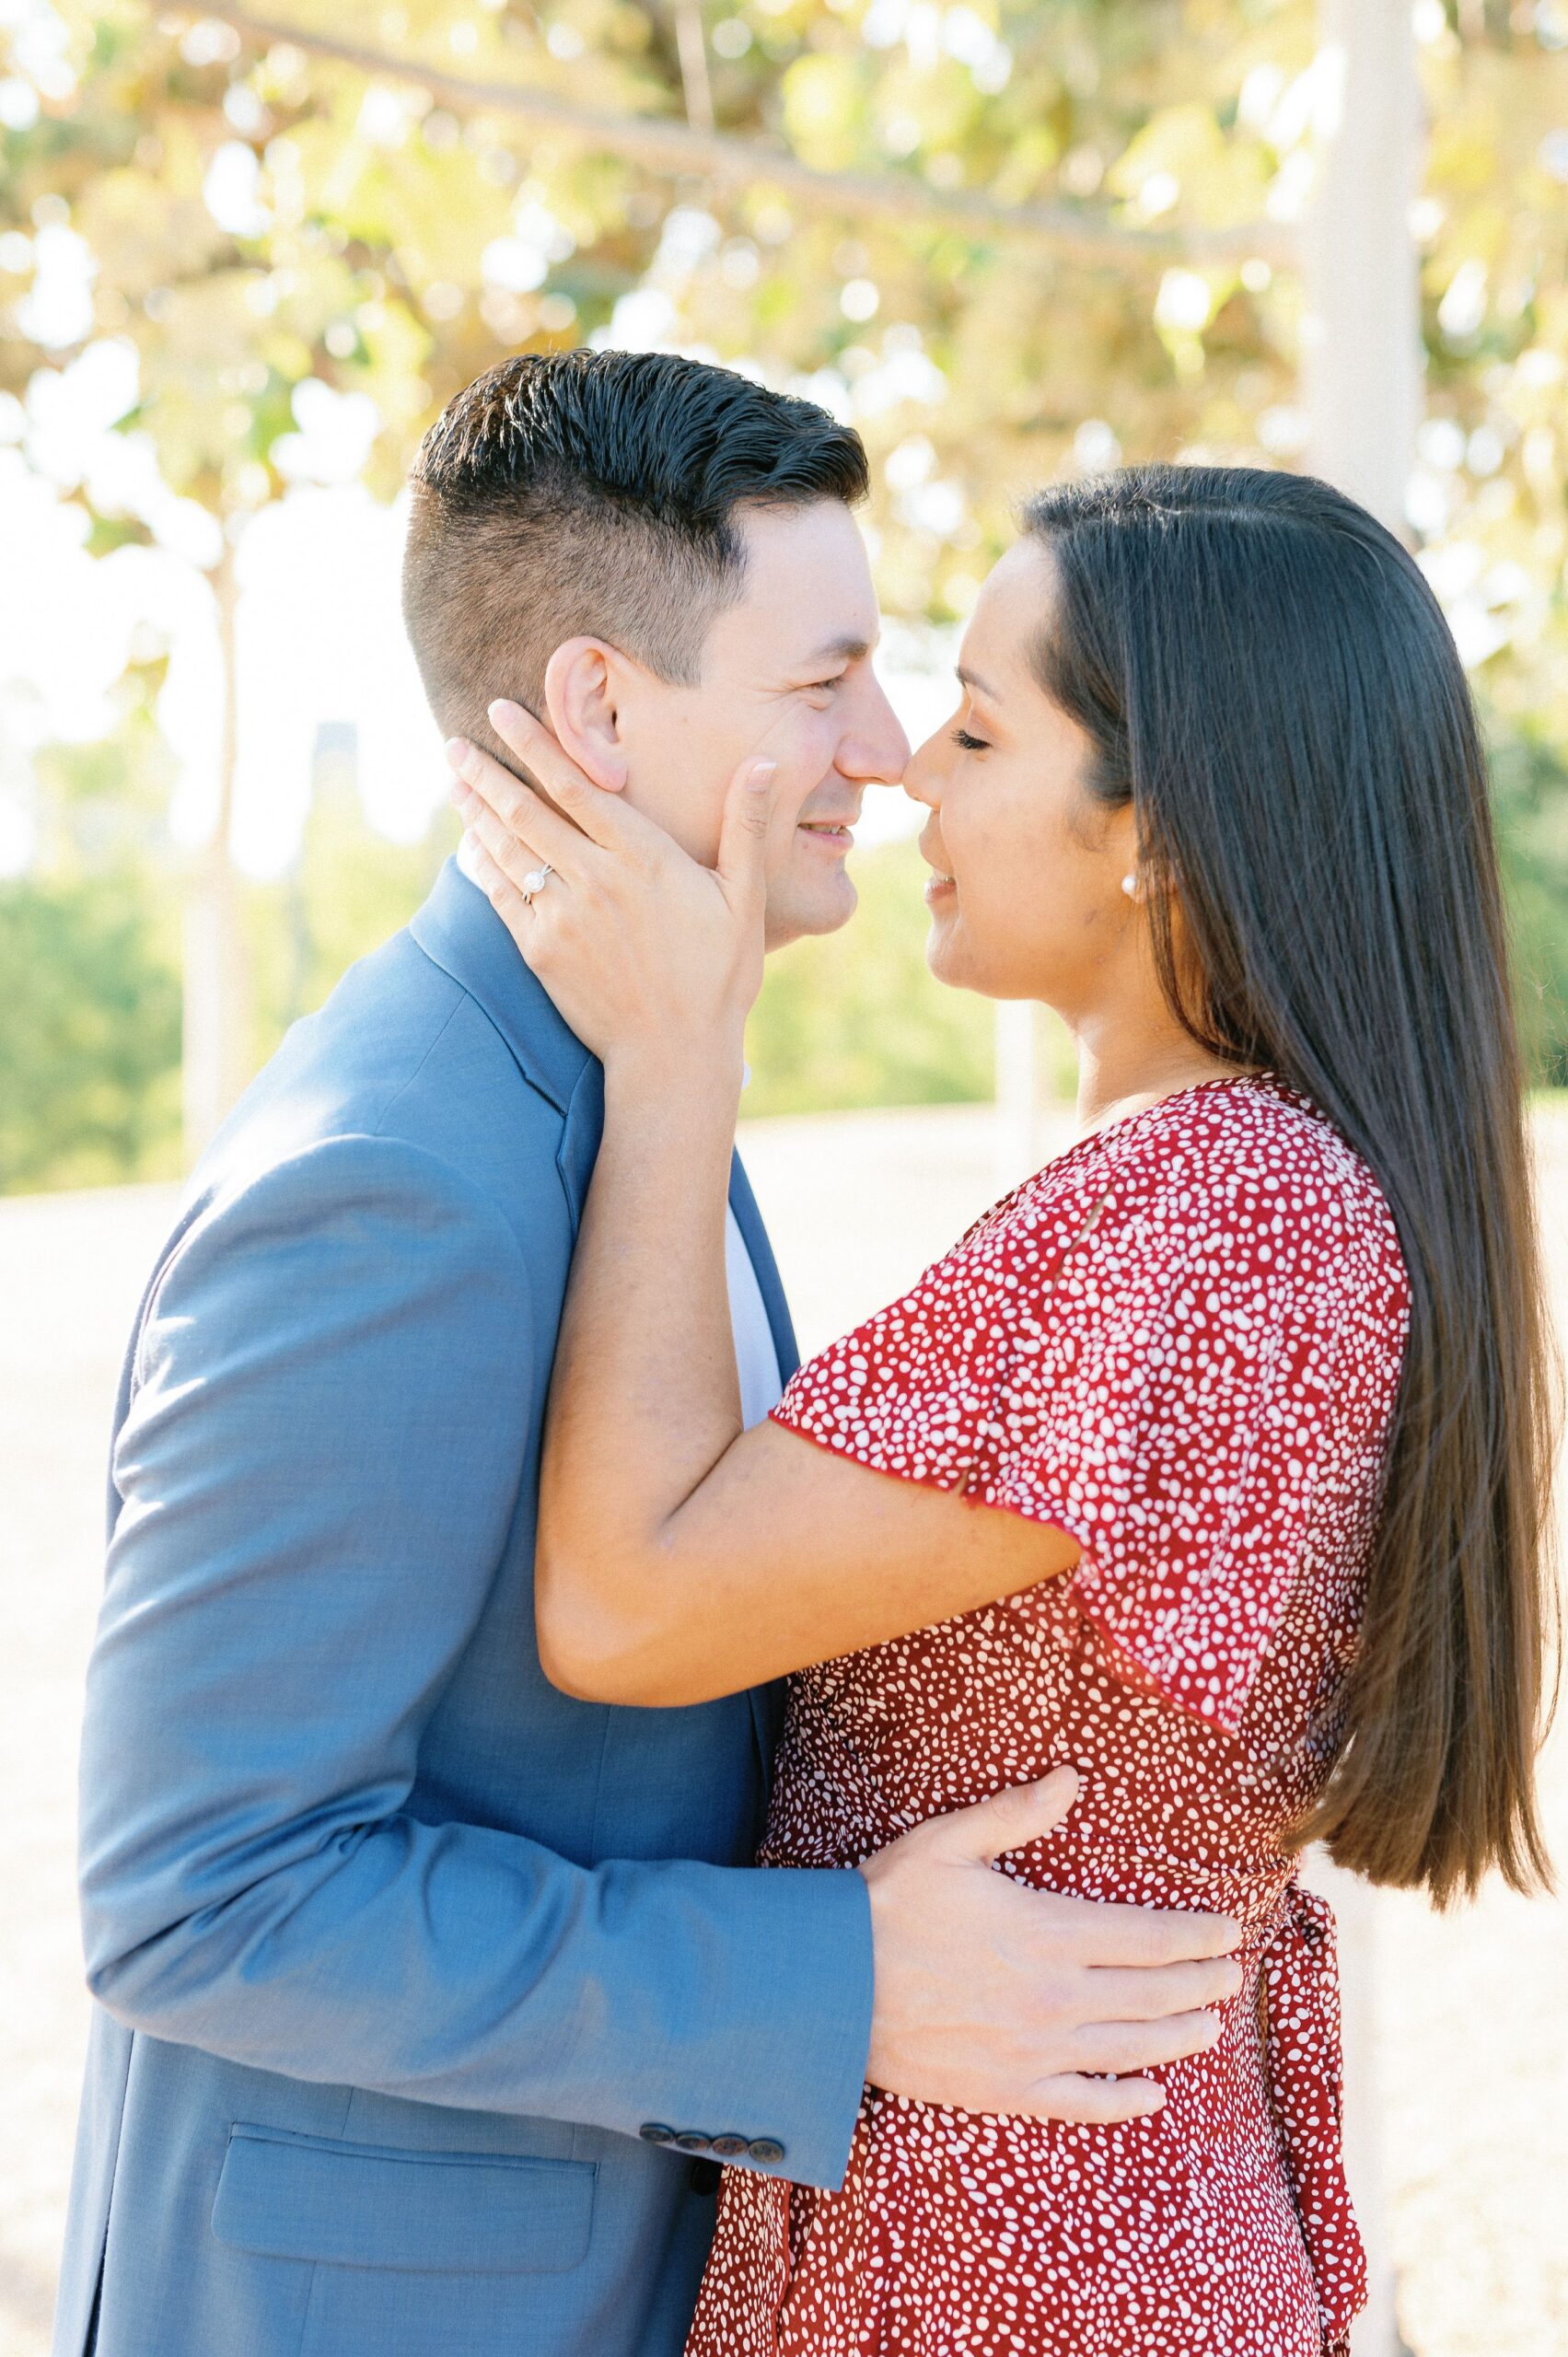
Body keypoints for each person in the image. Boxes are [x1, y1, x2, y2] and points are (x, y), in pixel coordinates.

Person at [54, 358, 1242, 2357]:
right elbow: (196, 1888)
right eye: (822, 682)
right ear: (602, 708)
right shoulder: (399, 1177)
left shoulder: (629, 1062)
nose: (882, 749)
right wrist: (839, 1975)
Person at [451, 461, 1557, 2357]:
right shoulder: (1221, 1184)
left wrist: (677, 1050)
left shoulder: (1221, 1212)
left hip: (1023, 2256)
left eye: (976, 724)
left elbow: (627, 1602)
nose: (903, 773)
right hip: (1040, 2218)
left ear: (1166, 824)